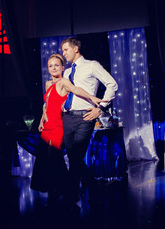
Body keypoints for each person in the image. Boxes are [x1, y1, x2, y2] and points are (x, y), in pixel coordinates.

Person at [30, 53, 105, 206]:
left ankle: (68, 190)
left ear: (63, 67)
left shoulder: (64, 82)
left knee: (56, 158)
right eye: (50, 65)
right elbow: (46, 104)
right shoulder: (47, 83)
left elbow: (77, 90)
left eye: (56, 65)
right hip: (47, 126)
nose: (53, 68)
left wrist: (93, 98)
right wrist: (41, 119)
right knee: (45, 160)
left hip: (58, 126)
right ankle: (58, 189)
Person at [61, 37, 118, 207]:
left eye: (66, 50)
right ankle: (93, 186)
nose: (63, 53)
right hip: (68, 117)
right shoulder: (66, 72)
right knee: (73, 157)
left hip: (85, 117)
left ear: (75, 49)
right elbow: (65, 93)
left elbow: (112, 84)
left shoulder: (92, 65)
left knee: (76, 155)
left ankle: (71, 196)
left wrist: (100, 109)